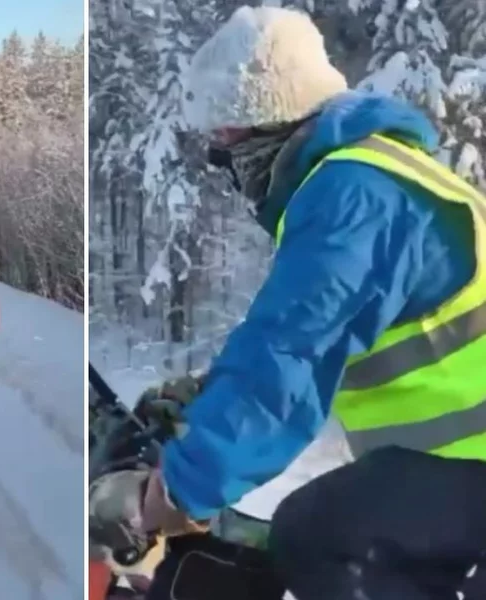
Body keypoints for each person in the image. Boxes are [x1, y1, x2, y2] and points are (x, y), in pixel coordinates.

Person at [89, 5, 486, 600]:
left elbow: (288, 363)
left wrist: (164, 499)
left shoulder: (354, 194)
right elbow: (291, 339)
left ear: (268, 121)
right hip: (458, 473)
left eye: (226, 148)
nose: (227, 169)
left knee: (322, 534)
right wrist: (208, 397)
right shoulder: (378, 175)